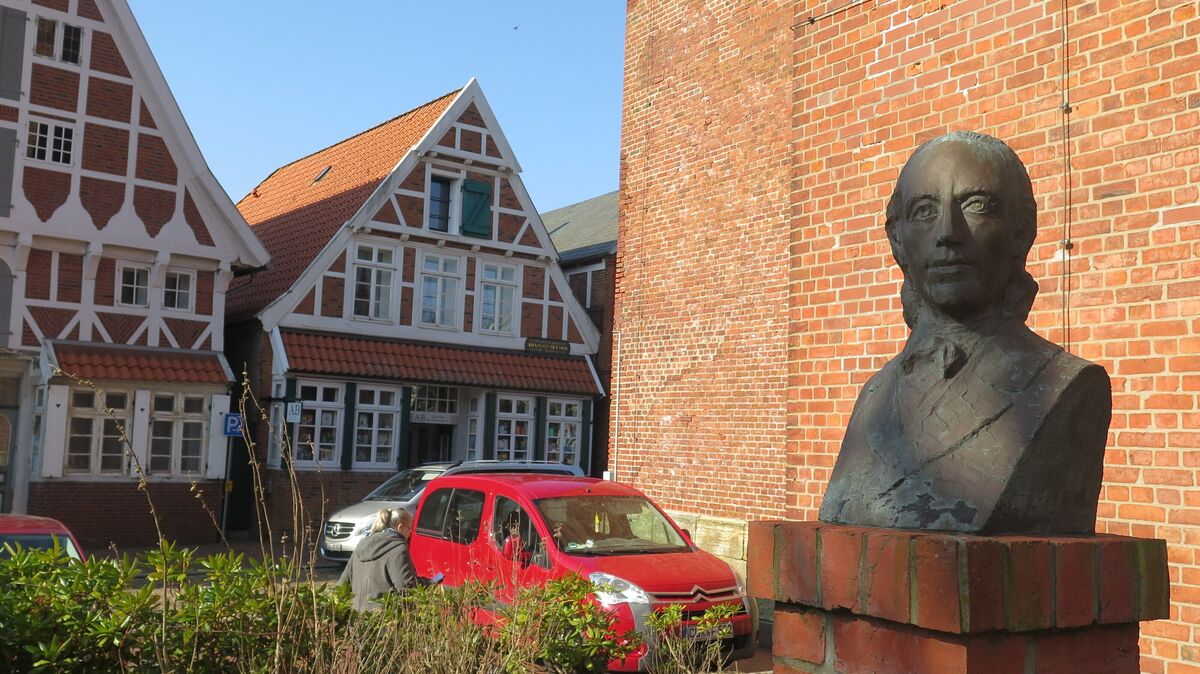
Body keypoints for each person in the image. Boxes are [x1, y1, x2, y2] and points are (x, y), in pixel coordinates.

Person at [819, 131, 1112, 535]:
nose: (948, 232)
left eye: (976, 206)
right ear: (898, 241)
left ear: (1020, 233)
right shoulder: (873, 395)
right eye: (924, 210)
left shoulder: (1063, 385)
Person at [337, 507, 430, 611]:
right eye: (409, 529)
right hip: (384, 619)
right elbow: (407, 588)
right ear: (400, 527)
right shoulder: (398, 549)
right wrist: (429, 583)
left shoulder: (360, 546)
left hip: (357, 618)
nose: (410, 534)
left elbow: (342, 585)